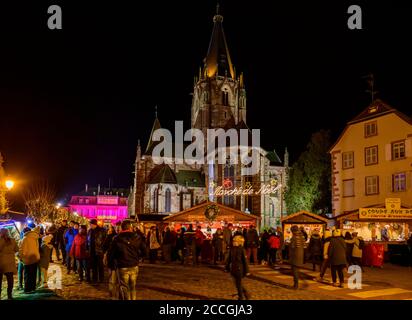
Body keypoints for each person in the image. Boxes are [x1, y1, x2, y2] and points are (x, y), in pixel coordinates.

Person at [107, 220, 147, 300]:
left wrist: (111, 265)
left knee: (124, 286)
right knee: (132, 286)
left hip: (122, 265)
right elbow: (144, 250)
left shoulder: (117, 238)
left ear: (121, 228)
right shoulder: (137, 237)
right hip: (134, 265)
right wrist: (139, 257)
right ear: (130, 227)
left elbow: (111, 253)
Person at [225, 233, 250, 300]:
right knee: (237, 283)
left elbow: (245, 261)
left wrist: (247, 271)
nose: (233, 242)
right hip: (233, 269)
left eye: (234, 241)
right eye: (233, 241)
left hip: (239, 269)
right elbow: (229, 259)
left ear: (239, 242)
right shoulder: (232, 249)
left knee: (238, 284)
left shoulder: (242, 250)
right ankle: (245, 293)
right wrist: (226, 267)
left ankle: (241, 297)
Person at [19, 225, 41, 293]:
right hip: (35, 257)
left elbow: (23, 250)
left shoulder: (25, 239)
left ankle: (27, 289)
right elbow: (37, 248)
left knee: (27, 274)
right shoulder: (35, 238)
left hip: (28, 259)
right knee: (33, 274)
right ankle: (33, 287)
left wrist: (21, 257)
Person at [0, 228, 19, 299]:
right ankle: (9, 295)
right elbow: (16, 249)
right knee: (10, 280)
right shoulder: (12, 240)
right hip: (10, 262)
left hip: (1, 262)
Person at [289, 225, 305, 289]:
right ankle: (296, 284)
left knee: (294, 270)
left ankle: (296, 285)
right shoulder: (302, 236)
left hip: (295, 255)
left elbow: (292, 247)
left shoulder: (294, 237)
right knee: (297, 270)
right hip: (301, 255)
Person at [17, 226, 31, 290]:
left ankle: (21, 285)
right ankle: (26, 285)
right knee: (26, 272)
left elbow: (20, 250)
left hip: (23, 258)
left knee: (21, 271)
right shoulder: (33, 239)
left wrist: (19, 256)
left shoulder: (23, 239)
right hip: (29, 258)